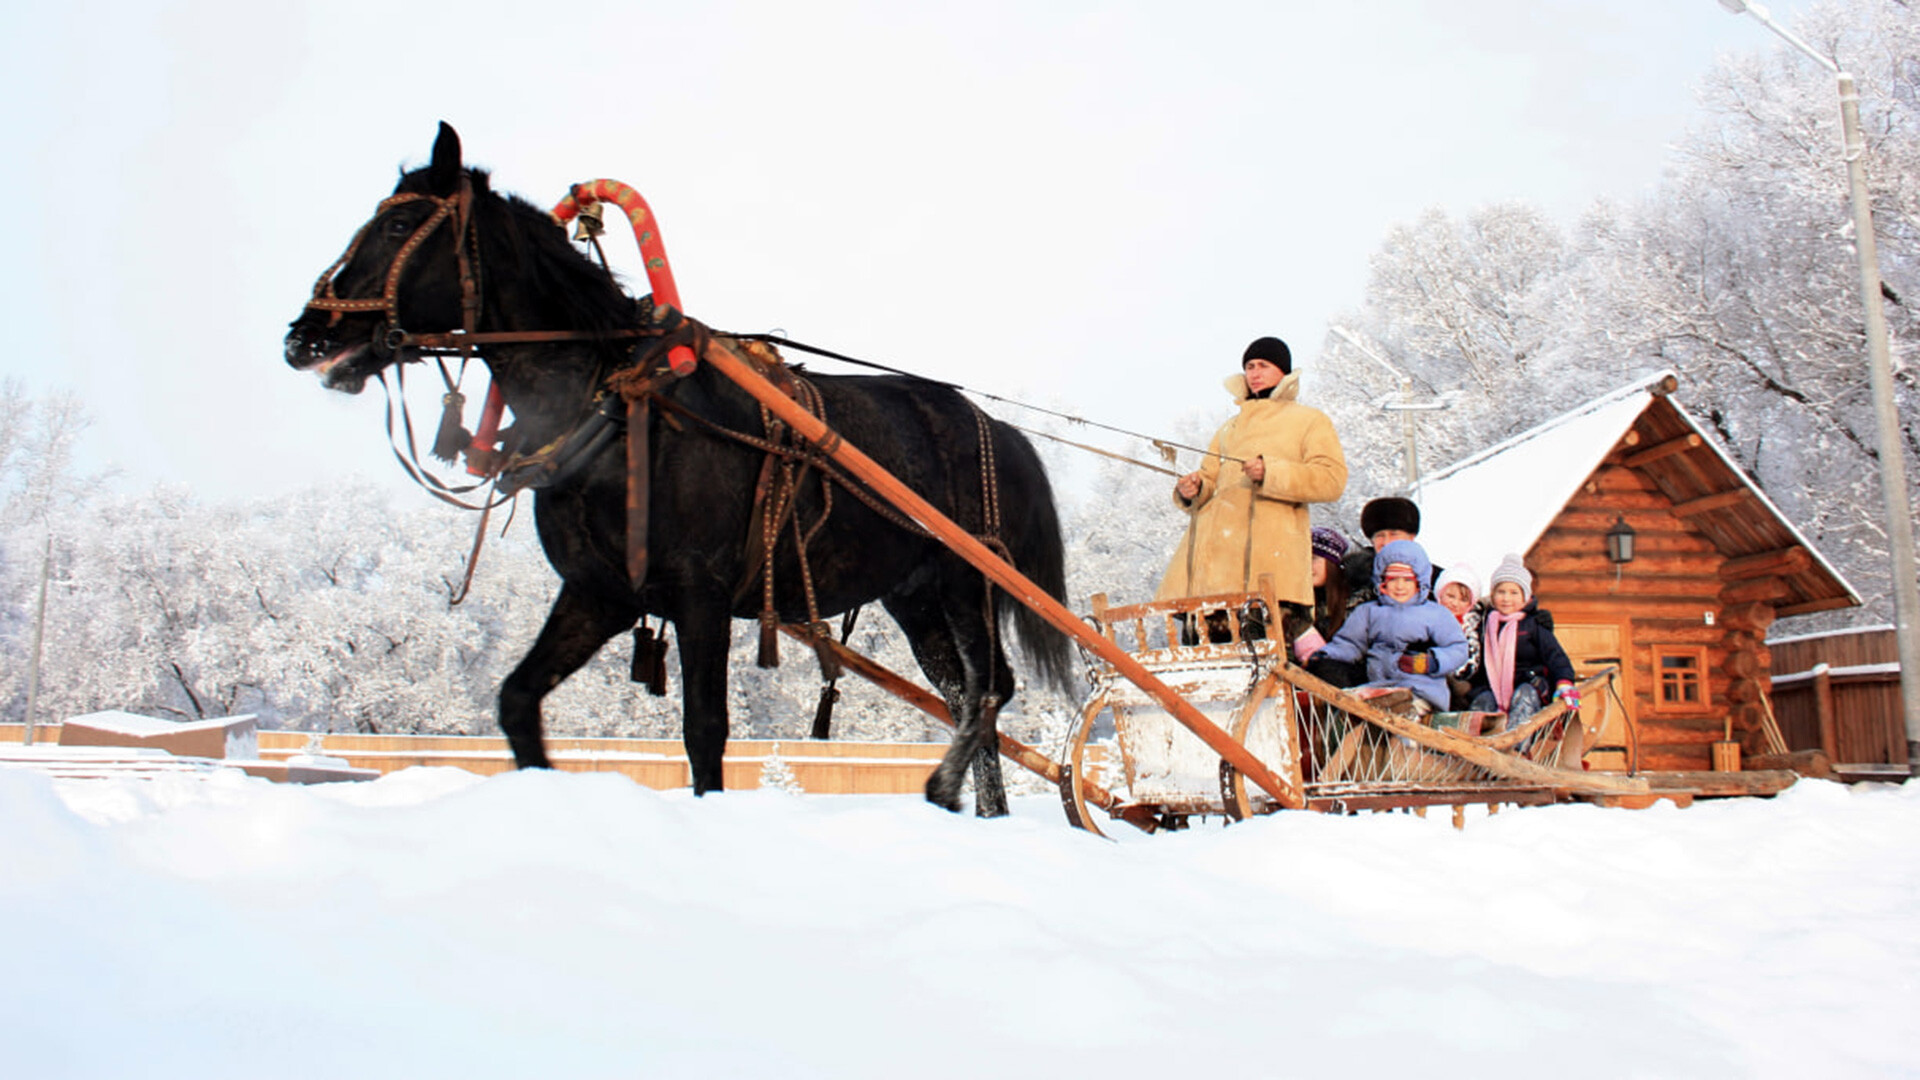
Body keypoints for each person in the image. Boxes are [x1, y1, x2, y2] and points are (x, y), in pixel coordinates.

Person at [1156, 337, 1348, 623]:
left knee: (1265, 661)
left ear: (1284, 371)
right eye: (1249, 366)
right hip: (1212, 571)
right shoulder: (1228, 428)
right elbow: (1209, 478)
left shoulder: (1310, 420)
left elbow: (1332, 479)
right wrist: (1194, 489)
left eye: (1263, 365)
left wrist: (1271, 473)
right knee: (1209, 663)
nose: (1255, 373)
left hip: (1272, 568)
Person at [1307, 539, 1467, 715]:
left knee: (1400, 709)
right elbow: (1350, 643)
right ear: (1381, 580)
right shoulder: (1370, 611)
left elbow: (1457, 647)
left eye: (1407, 580)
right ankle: (1350, 734)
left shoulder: (1435, 614)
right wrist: (1326, 655)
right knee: (1358, 707)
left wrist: (1433, 662)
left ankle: (1409, 732)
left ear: (1419, 581)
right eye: (1393, 579)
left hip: (1420, 688)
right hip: (1379, 685)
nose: (1399, 586)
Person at [1466, 554, 1578, 738]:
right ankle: (1475, 747)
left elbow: (1556, 657)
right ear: (1492, 595)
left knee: (1524, 697)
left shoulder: (1534, 625)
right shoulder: (1486, 624)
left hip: (1529, 684)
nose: (1506, 598)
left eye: (1514, 593)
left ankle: (1515, 745)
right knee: (1483, 701)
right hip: (1493, 688)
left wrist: (1564, 682)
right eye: (1501, 592)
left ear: (1525, 597)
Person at [1339, 496, 1440, 607]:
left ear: (1412, 536)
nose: (1386, 542)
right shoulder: (1352, 578)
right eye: (1380, 536)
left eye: (1394, 534)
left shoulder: (1437, 581)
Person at [1288, 526, 1352, 663]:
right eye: (1302, 559)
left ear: (1331, 563)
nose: (1306, 565)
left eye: (1314, 558)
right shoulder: (1292, 602)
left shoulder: (1354, 603)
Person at [1432, 563, 1482, 710]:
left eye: (1462, 600)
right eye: (1450, 596)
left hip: (1458, 679)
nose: (1454, 603)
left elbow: (1472, 658)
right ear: (1440, 595)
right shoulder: (1430, 618)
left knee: (1458, 690)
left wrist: (1458, 673)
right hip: (1431, 672)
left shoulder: (1469, 626)